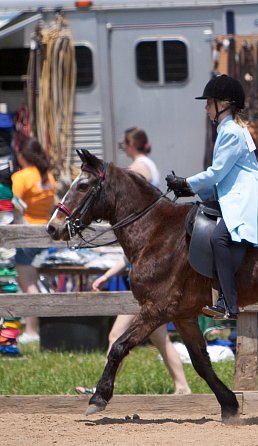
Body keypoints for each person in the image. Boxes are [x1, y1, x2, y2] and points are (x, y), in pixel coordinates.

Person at [166, 74, 258, 320]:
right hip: (234, 192)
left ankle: (229, 303)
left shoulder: (232, 132)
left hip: (245, 195)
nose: (205, 108)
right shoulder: (228, 129)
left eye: (209, 102)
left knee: (219, 238)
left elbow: (216, 173)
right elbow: (220, 176)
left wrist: (186, 182)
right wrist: (191, 189)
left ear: (223, 103)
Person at [76, 128, 191, 395]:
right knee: (160, 339)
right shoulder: (147, 164)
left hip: (146, 280)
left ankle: (102, 387)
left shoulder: (139, 167)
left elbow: (132, 190)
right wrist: (108, 274)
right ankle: (182, 387)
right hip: (143, 274)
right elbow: (127, 253)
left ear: (131, 145)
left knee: (117, 335)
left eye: (124, 144)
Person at [11, 138, 56, 344]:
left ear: (22, 156)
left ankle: (31, 330)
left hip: (26, 231)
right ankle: (36, 327)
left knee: (27, 282)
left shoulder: (21, 177)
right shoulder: (49, 177)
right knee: (34, 281)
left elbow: (12, 204)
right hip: (45, 230)